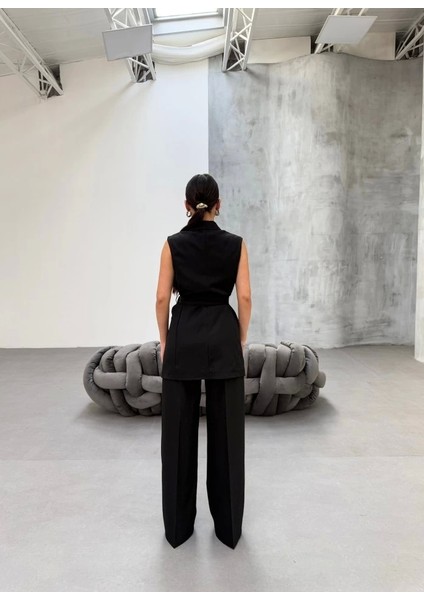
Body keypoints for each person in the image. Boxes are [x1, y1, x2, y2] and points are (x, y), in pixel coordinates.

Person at [155, 173, 252, 549]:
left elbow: (162, 298)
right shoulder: (236, 244)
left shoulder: (172, 244)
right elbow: (245, 298)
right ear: (218, 205)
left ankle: (178, 530)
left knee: (177, 438)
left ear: (186, 206)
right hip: (223, 336)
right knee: (228, 437)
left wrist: (165, 341)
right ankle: (228, 529)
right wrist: (240, 339)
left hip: (184, 337)